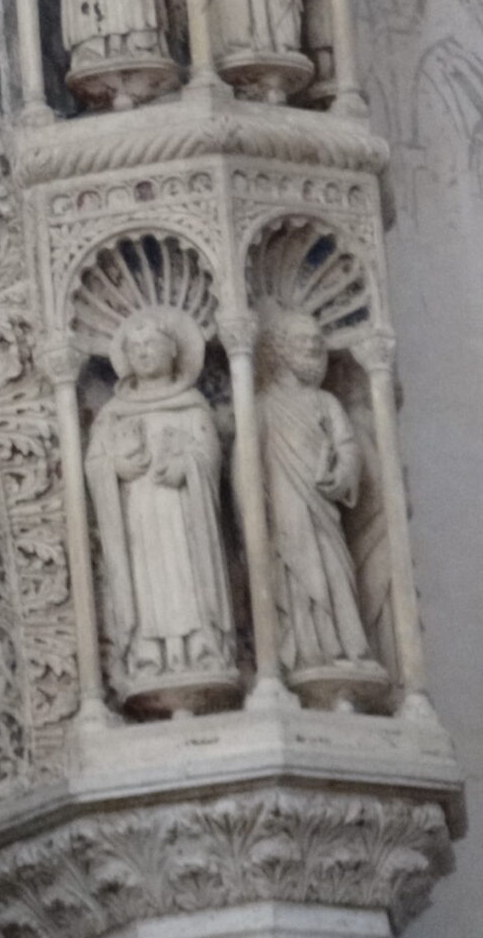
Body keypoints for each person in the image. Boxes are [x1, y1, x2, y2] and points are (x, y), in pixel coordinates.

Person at [85, 305, 238, 714]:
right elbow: (96, 463)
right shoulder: (113, 413)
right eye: (135, 348)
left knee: (186, 579)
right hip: (138, 517)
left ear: (173, 349)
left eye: (151, 344)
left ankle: (201, 648)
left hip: (184, 514)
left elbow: (209, 454)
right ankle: (148, 654)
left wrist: (188, 466)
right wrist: (115, 467)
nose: (144, 353)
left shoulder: (191, 405)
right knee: (148, 584)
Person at [256, 309, 382, 683]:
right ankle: (307, 650)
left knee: (333, 567)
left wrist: (342, 474)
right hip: (285, 506)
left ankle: (343, 646)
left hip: (323, 504)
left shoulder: (325, 401)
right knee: (295, 575)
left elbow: (347, 446)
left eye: (316, 341)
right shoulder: (263, 406)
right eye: (302, 341)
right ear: (280, 351)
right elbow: (247, 465)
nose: (312, 346)